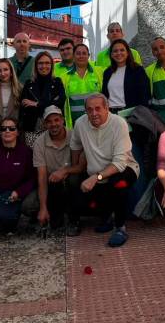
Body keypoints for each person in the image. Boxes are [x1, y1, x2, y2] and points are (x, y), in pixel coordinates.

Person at [68, 94, 139, 247]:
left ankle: (120, 227)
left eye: (98, 109)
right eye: (89, 110)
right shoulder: (80, 123)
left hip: (125, 168)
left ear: (107, 108)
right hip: (95, 171)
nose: (94, 113)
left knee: (118, 182)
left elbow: (120, 163)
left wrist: (96, 177)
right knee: (74, 183)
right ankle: (105, 217)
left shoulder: (119, 124)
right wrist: (76, 168)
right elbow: (75, 145)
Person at [32, 106, 83, 229]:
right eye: (49, 121)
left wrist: (65, 171)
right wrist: (43, 207)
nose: (53, 124)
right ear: (44, 124)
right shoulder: (39, 142)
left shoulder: (74, 136)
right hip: (53, 183)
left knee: (74, 180)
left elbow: (82, 166)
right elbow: (42, 177)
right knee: (29, 205)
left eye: (56, 120)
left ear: (63, 120)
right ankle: (53, 215)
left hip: (72, 181)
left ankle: (74, 220)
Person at [20, 51, 66, 146]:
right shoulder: (28, 84)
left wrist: (37, 104)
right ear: (36, 65)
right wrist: (50, 103)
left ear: (52, 65)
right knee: (33, 158)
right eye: (40, 63)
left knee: (53, 157)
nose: (43, 66)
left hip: (54, 128)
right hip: (32, 129)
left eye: (47, 63)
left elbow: (60, 102)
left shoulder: (57, 82)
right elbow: (25, 105)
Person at [101, 39, 151, 112]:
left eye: (122, 50)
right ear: (111, 54)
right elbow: (105, 95)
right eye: (115, 51)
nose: (118, 53)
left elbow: (145, 94)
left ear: (127, 53)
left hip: (131, 114)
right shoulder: (107, 72)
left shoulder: (138, 70)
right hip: (111, 114)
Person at [63, 44, 103, 128]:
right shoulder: (64, 77)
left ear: (88, 56)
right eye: (78, 53)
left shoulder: (99, 72)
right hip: (76, 125)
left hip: (98, 122)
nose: (81, 56)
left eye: (84, 53)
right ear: (73, 56)